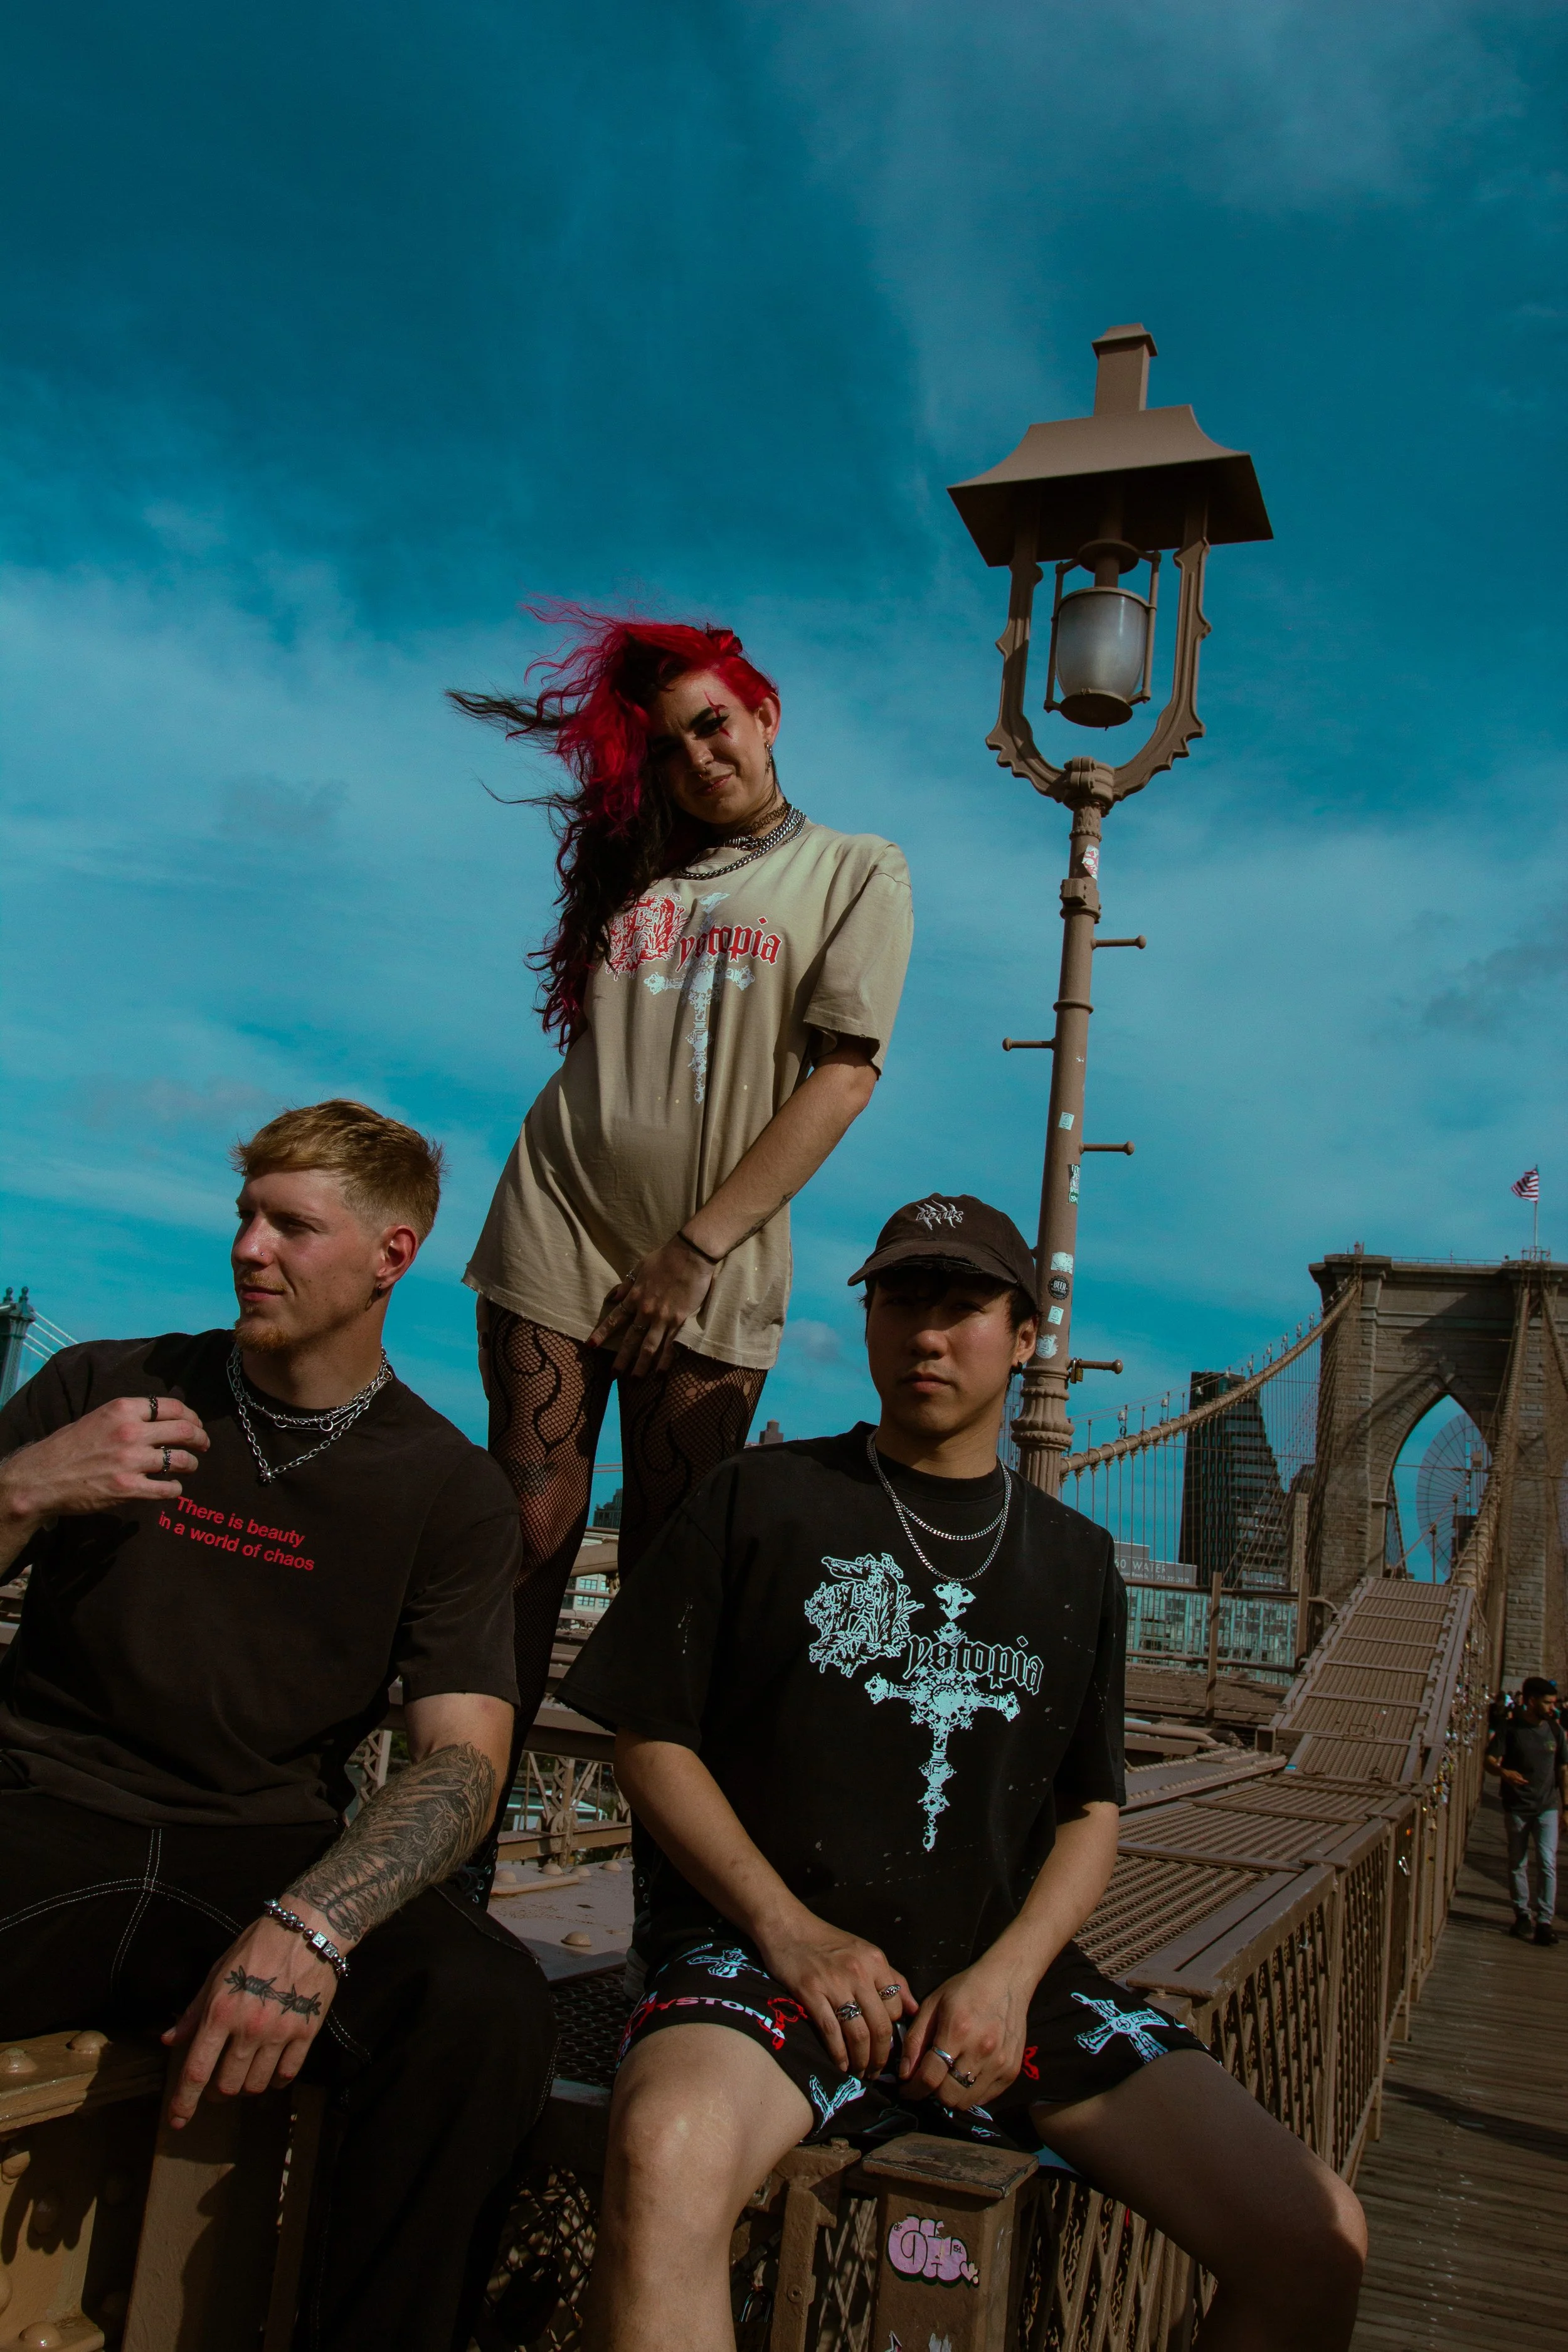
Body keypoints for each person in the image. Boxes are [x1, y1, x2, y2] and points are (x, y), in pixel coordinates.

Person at [557, 1192, 1367, 2352]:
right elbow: (651, 1736)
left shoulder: (1078, 1562)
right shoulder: (759, 1497)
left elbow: (1091, 1808)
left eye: (963, 1306)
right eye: (900, 1300)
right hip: (766, 1962)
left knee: (1315, 2237)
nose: (927, 1333)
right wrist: (791, 1931)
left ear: (1027, 1337)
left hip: (1002, 1987)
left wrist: (1009, 1977)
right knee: (662, 2156)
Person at [0, 1101, 554, 2352]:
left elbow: (465, 1760)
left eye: (292, 1226)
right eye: (246, 1216)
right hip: (44, 1810)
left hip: (255, 1860)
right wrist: (27, 1486)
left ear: (391, 1256)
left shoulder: (448, 1491)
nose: (249, 1248)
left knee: (481, 2012)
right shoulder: (103, 1385)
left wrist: (320, 1920)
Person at [450, 611, 912, 1742]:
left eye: (713, 726)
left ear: (766, 716)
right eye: (668, 747)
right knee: (529, 1533)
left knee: (670, 1573)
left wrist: (695, 1249)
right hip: (558, 1208)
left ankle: (670, 1857)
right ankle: (460, 1833)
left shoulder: (854, 868)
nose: (699, 757)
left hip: (711, 1258)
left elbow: (846, 1077)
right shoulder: (636, 871)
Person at [1486, 1675, 1566, 1946]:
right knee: (1517, 1862)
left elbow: (1564, 1769)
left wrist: (1566, 1807)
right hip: (1518, 1806)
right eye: (1547, 1703)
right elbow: (1489, 1760)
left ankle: (1544, 1922)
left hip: (1547, 1807)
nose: (1553, 1708)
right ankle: (1522, 1915)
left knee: (1547, 1862)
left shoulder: (1555, 1730)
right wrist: (1504, 1772)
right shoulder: (1511, 1729)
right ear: (1532, 1702)